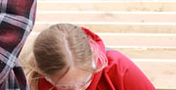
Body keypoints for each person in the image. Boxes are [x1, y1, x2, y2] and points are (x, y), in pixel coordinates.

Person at [23, 23, 155, 90]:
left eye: (84, 83)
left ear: (93, 60)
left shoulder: (117, 68)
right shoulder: (31, 82)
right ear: (45, 75)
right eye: (65, 87)